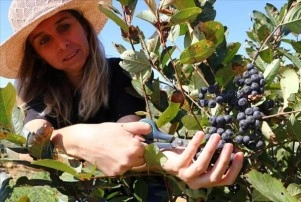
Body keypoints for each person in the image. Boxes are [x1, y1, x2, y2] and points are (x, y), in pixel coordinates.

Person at [0, 0, 244, 195]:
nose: (62, 44)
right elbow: (33, 136)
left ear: (84, 27)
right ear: (39, 55)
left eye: (64, 26)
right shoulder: (41, 93)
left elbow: (130, 136)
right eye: (44, 40)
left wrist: (168, 160)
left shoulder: (121, 71)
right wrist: (79, 138)